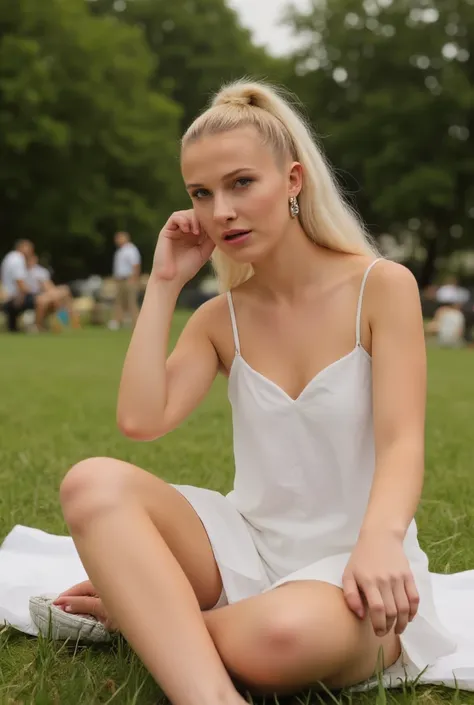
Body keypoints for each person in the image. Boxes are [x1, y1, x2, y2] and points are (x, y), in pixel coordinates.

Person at [13, 80, 474, 701]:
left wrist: (380, 539)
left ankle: (150, 621)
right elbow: (140, 419)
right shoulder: (220, 319)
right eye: (201, 194)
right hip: (244, 548)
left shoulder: (381, 287)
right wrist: (164, 284)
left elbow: (401, 442)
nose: (219, 211)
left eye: (240, 184)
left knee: (282, 639)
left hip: (357, 561)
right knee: (91, 483)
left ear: (292, 180)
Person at [26, 255, 80, 330]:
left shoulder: (40, 271)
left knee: (59, 297)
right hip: (35, 296)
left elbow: (48, 286)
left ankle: (66, 322)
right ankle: (69, 320)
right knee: (55, 299)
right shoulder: (24, 272)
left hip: (47, 295)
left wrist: (52, 293)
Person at [108, 232, 141, 330]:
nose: (117, 240)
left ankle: (136, 324)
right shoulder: (120, 251)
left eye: (119, 238)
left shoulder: (131, 250)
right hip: (120, 280)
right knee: (119, 302)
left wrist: (134, 278)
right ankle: (118, 321)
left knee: (131, 302)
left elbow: (135, 265)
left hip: (128, 279)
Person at [1, 239, 36, 332]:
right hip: (12, 299)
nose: (31, 251)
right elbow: (20, 284)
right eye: (29, 248)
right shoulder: (18, 259)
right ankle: (38, 327)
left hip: (7, 297)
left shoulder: (9, 257)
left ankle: (13, 327)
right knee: (42, 300)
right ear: (20, 247)